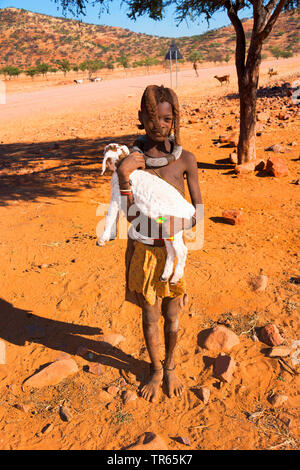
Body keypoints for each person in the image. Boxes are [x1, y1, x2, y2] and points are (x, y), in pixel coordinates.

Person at [117, 85, 202, 402]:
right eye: (151, 118)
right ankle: (154, 369)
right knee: (150, 316)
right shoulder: (130, 163)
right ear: (141, 118)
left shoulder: (185, 161)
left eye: (166, 119)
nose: (158, 125)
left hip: (173, 253)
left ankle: (170, 366)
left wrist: (175, 225)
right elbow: (128, 215)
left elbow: (198, 212)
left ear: (174, 119)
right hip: (144, 252)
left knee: (173, 314)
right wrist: (124, 177)